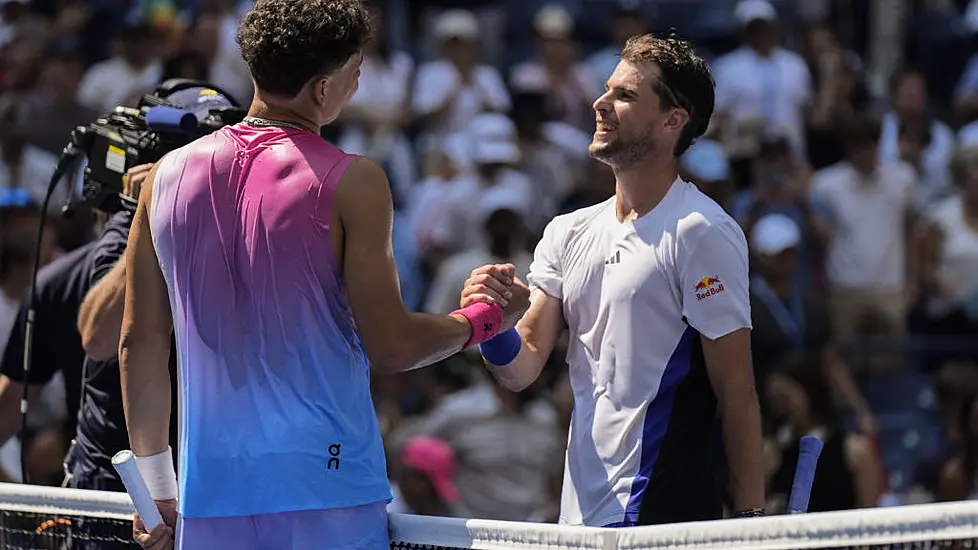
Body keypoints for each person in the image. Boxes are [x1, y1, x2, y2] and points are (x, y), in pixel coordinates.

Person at [119, 1, 528, 549]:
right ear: (321, 89)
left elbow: (139, 343)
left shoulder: (161, 178)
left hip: (208, 495)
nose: (356, 86)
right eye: (354, 74)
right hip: (328, 489)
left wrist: (157, 490)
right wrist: (484, 319)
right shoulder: (355, 181)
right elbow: (392, 346)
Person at [461, 33, 765, 527]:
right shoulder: (567, 231)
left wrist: (753, 518)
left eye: (624, 95)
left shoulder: (702, 232)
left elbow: (736, 390)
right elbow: (521, 371)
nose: (599, 103)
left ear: (673, 121)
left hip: (663, 523)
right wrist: (494, 324)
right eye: (606, 89)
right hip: (578, 524)